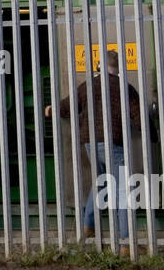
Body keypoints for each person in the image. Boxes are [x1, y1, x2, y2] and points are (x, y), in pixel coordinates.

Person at [44, 49, 141, 255]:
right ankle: (125, 243)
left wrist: (52, 109)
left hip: (90, 143)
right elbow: (138, 115)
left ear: (99, 66)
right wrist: (152, 134)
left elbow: (66, 107)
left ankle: (88, 226)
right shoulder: (125, 87)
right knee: (122, 191)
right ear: (118, 67)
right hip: (113, 144)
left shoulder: (89, 85)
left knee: (102, 183)